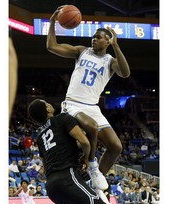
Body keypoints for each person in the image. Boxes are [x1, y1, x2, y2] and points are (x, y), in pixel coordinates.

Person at [46, 6, 131, 185]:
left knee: (116, 147)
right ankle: (92, 165)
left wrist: (117, 46)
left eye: (98, 37)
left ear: (107, 41)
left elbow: (125, 73)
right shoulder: (81, 51)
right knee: (92, 127)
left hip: (92, 107)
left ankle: (92, 182)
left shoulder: (111, 62)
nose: (93, 39)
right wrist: (53, 22)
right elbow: (52, 46)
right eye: (93, 37)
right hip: (73, 103)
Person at [27, 99, 113, 204]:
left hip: (51, 188)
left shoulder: (39, 136)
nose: (50, 103)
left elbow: (45, 164)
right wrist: (86, 158)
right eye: (47, 103)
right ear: (48, 109)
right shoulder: (62, 118)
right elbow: (84, 142)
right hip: (67, 178)